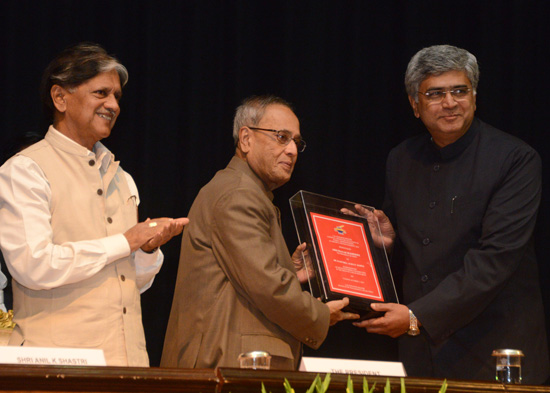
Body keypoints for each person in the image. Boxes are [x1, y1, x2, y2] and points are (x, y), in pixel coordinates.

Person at [353, 45, 550, 384]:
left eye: (460, 90)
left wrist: (417, 316)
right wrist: (390, 242)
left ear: (474, 96)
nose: (450, 102)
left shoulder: (515, 159)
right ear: (415, 105)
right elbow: (418, 257)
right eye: (435, 93)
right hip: (421, 355)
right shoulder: (401, 159)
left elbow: (496, 260)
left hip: (494, 354)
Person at [0, 43, 188, 366]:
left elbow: (129, 284)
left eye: (117, 96)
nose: (113, 105)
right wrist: (125, 242)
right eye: (101, 93)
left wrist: (145, 252)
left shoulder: (123, 178)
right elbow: (33, 264)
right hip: (57, 369)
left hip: (126, 364)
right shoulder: (25, 170)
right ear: (60, 98)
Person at [161, 95, 358, 370]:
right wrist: (319, 314)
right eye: (281, 137)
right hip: (226, 364)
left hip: (229, 360)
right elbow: (266, 285)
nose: (291, 150)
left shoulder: (245, 191)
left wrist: (288, 270)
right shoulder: (238, 194)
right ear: (246, 139)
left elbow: (247, 277)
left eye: (296, 142)